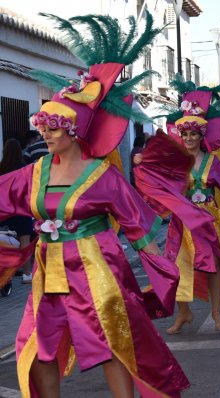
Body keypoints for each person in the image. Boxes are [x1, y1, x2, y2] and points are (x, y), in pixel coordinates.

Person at [0, 13, 189, 396]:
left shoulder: (103, 176)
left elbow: (137, 225)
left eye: (54, 128)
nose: (46, 133)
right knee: (39, 350)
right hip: (47, 272)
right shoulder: (33, 173)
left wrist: (162, 270)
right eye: (43, 127)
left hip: (97, 267)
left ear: (72, 132)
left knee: (114, 344)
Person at [133, 80, 220, 334]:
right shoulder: (175, 161)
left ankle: (216, 313)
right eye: (185, 134)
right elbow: (154, 174)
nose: (189, 138)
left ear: (201, 136)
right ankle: (184, 313)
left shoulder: (213, 164)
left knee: (212, 267)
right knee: (178, 268)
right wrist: (141, 160)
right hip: (181, 224)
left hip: (207, 223)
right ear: (180, 136)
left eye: (194, 134)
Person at [0, 139, 33, 283]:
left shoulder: (1, 168)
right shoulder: (24, 168)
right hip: (21, 209)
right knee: (24, 240)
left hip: (4, 209)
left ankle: (6, 272)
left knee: (3, 242)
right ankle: (26, 274)